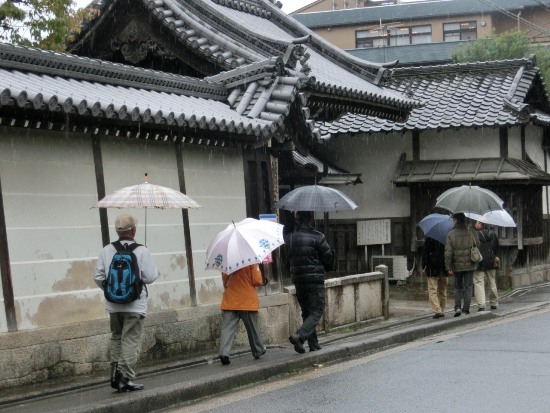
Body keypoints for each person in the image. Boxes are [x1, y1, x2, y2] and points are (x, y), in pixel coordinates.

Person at [93, 213, 158, 392]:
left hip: (113, 304)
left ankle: (114, 373)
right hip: (135, 304)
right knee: (130, 339)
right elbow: (151, 276)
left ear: (118, 231)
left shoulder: (107, 250)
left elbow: (98, 276)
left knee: (116, 336)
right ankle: (124, 377)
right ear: (133, 230)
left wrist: (112, 290)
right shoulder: (142, 250)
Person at [285, 211, 335, 353]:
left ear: (297, 218)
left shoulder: (290, 238)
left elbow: (288, 257)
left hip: (298, 279)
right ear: (312, 218)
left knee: (307, 311)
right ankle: (300, 337)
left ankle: (313, 344)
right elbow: (328, 261)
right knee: (317, 310)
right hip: (314, 280)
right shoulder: (318, 237)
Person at [218, 264, 266, 365]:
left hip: (231, 299)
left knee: (227, 329)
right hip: (247, 299)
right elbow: (257, 281)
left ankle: (224, 353)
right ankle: (258, 350)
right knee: (252, 328)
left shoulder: (228, 261)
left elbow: (225, 280)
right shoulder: (251, 261)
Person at [444, 212, 477, 317]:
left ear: (456, 220)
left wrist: (448, 266)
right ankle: (466, 309)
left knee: (458, 287)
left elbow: (448, 252)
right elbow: (477, 244)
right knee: (468, 286)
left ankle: (457, 307)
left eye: (453, 219)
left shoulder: (451, 234)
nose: (452, 221)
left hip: (456, 265)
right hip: (469, 264)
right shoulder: (471, 232)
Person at [473, 220, 499, 311]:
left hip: (479, 262)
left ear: (481, 224)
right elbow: (496, 248)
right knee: (492, 282)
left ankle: (481, 305)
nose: (475, 224)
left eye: (477, 222)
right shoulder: (493, 234)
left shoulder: (475, 235)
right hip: (491, 261)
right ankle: (494, 303)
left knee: (479, 283)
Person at [422, 236, 448, 319]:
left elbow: (425, 252)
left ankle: (437, 310)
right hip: (443, 267)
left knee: (432, 290)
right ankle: (442, 309)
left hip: (432, 268)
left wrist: (423, 265)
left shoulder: (430, 238)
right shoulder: (446, 237)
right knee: (443, 290)